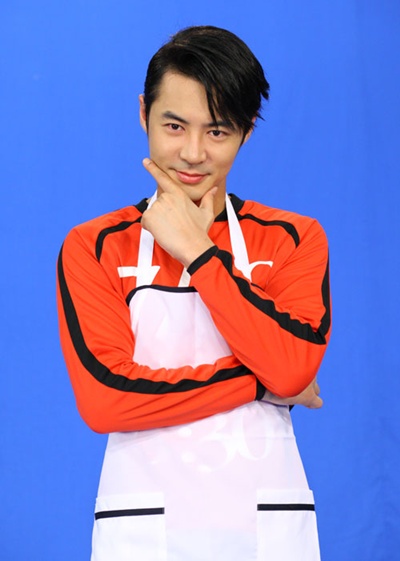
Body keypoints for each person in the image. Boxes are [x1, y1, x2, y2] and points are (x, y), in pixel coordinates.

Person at [57, 25, 331, 561]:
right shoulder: (94, 246)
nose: (192, 153)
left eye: (218, 130)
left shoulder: (293, 238)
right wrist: (262, 382)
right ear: (143, 114)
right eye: (174, 126)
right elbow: (107, 400)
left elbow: (293, 370)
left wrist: (198, 253)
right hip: (143, 531)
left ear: (247, 130)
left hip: (266, 530)